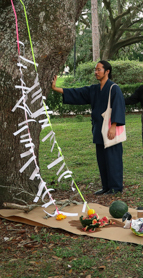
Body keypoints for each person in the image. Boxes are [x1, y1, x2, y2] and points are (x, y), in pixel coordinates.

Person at [51, 60, 125, 195]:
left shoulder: (114, 88)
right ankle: (106, 186)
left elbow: (119, 107)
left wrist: (114, 126)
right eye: (95, 70)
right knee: (102, 159)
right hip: (98, 129)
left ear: (107, 71)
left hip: (110, 130)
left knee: (113, 158)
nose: (96, 72)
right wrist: (56, 88)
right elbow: (77, 93)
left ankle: (116, 187)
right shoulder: (95, 89)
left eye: (99, 70)